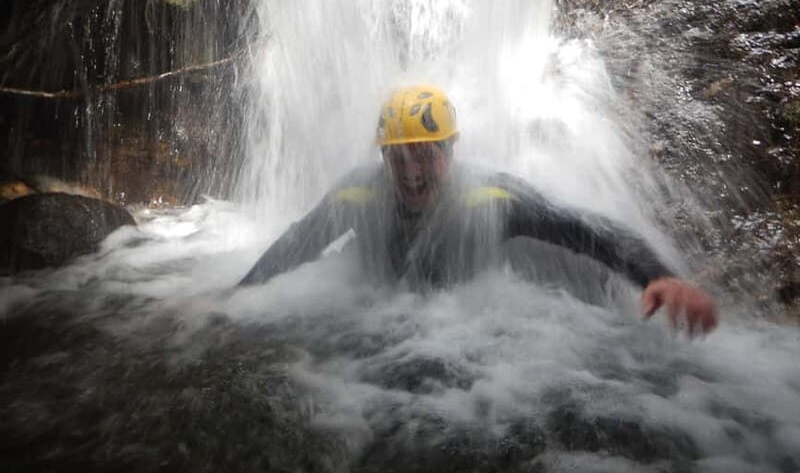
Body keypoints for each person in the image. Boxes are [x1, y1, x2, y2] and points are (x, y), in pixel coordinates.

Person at [240, 85, 717, 336]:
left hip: (460, 333)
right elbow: (297, 242)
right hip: (380, 324)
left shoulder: (488, 198)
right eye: (398, 155)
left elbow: (582, 227)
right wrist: (234, 299)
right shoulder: (358, 195)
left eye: (426, 153)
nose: (411, 172)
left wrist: (658, 274)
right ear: (382, 156)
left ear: (452, 148)